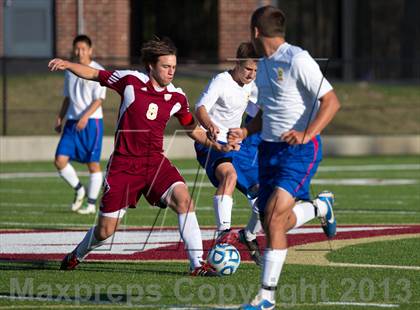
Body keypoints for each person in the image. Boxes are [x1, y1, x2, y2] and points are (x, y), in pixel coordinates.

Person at [49, 37, 232, 276]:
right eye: (166, 66)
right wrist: (68, 64)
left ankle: (197, 264)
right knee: (105, 231)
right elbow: (95, 74)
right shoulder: (130, 81)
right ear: (151, 66)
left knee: (184, 199)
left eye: (174, 67)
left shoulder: (177, 97)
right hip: (124, 165)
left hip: (155, 163)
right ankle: (78, 254)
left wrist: (216, 145)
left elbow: (191, 129)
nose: (171, 72)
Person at [228, 6, 341, 309]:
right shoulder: (263, 65)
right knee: (271, 220)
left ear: (255, 32)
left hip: (299, 151)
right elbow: (267, 112)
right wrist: (245, 131)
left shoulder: (298, 59)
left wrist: (307, 133)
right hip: (268, 150)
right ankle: (320, 207)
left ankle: (267, 298)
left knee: (275, 218)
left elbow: (331, 101)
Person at [194, 42, 264, 265]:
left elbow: (256, 110)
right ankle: (223, 232)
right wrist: (210, 125)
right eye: (248, 69)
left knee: (265, 197)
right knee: (230, 176)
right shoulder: (221, 81)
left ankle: (249, 236)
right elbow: (200, 108)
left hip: (236, 146)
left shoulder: (251, 86)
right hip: (210, 143)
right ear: (237, 63)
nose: (251, 75)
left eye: (255, 70)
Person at [54, 35, 106, 215]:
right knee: (59, 160)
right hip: (71, 122)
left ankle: (91, 204)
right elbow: (68, 97)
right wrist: (61, 117)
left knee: (93, 164)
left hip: (92, 123)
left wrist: (85, 117)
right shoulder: (70, 70)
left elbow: (99, 100)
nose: (80, 52)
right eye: (77, 48)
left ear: (90, 50)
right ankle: (79, 189)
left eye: (83, 49)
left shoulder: (98, 70)